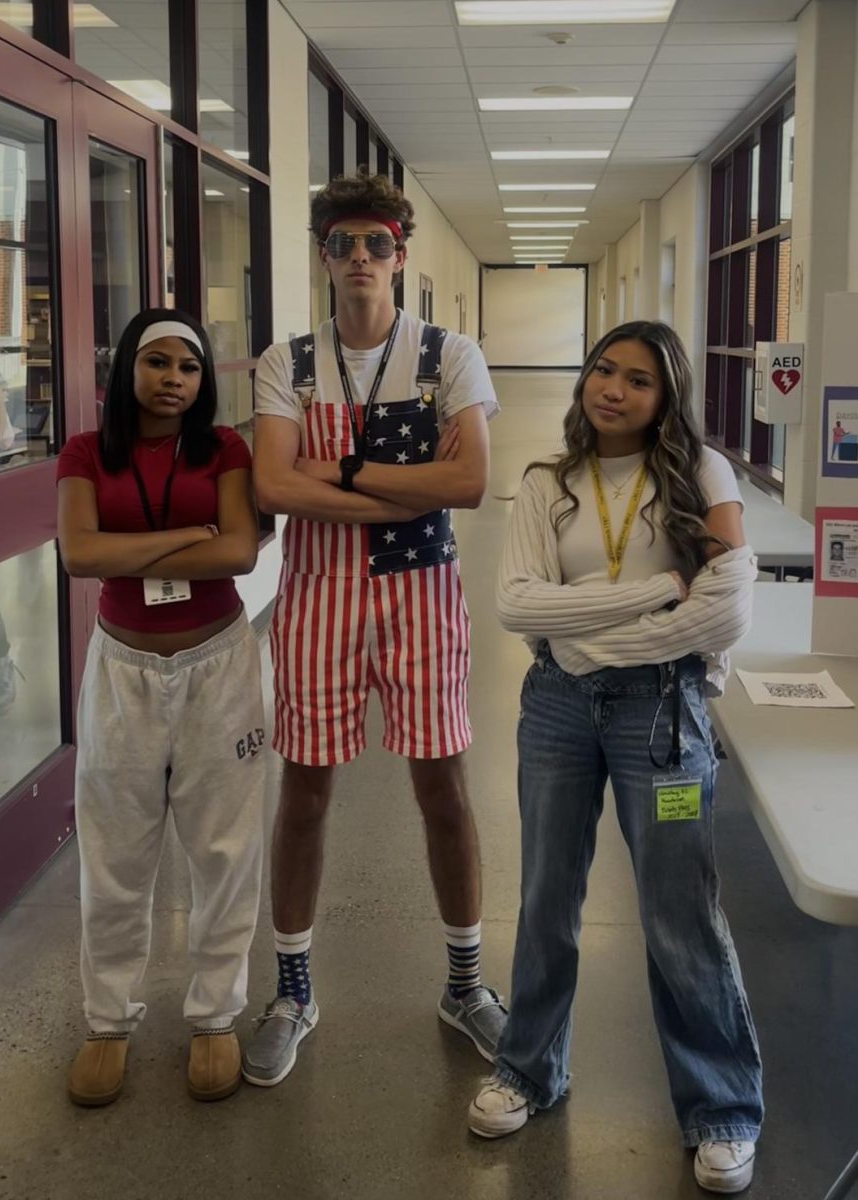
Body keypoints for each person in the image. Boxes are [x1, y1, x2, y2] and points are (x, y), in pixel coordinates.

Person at [468, 321, 763, 1196]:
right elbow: (519, 605)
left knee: (680, 911)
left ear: (666, 397)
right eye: (604, 369)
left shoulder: (701, 475)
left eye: (638, 379)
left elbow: (728, 611)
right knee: (546, 897)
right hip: (557, 708)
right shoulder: (544, 484)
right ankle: (528, 1069)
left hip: (662, 715)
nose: (614, 388)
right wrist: (644, 597)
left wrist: (594, 628)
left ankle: (721, 1107)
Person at [247, 169, 505, 1087]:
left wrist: (342, 475)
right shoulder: (288, 362)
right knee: (305, 797)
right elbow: (272, 488)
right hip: (316, 596)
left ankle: (466, 985)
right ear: (322, 256)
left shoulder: (448, 354)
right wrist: (398, 483)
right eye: (343, 244)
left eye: (376, 244)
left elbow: (470, 484)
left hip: (423, 598)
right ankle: (293, 990)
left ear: (401, 254)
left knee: (444, 791)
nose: (360, 258)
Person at [56, 308, 265, 1107]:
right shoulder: (84, 452)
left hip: (219, 665)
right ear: (128, 371)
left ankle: (214, 1013)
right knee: (115, 852)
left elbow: (239, 550)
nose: (174, 379)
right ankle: (108, 1019)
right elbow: (80, 554)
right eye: (158, 363)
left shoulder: (226, 448)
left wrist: (132, 545)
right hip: (123, 671)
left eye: (188, 367)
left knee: (224, 847)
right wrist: (186, 535)